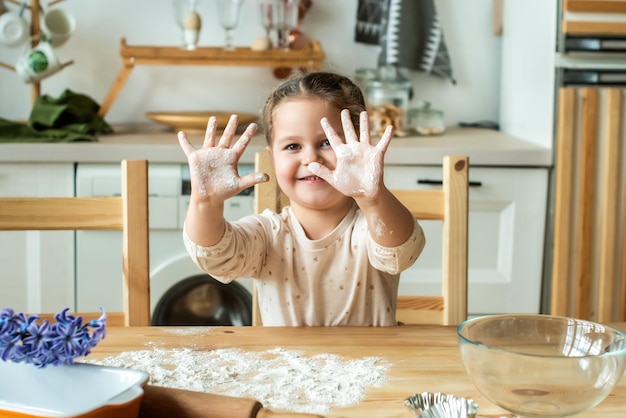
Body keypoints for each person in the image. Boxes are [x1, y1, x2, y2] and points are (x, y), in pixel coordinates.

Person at [178, 71, 425, 326]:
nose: (311, 159)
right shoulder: (267, 234)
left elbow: (402, 253)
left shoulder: (370, 227)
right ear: (272, 158)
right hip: (288, 365)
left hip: (370, 363)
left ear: (359, 146)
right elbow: (216, 257)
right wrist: (204, 204)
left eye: (327, 142)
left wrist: (373, 198)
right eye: (293, 146)